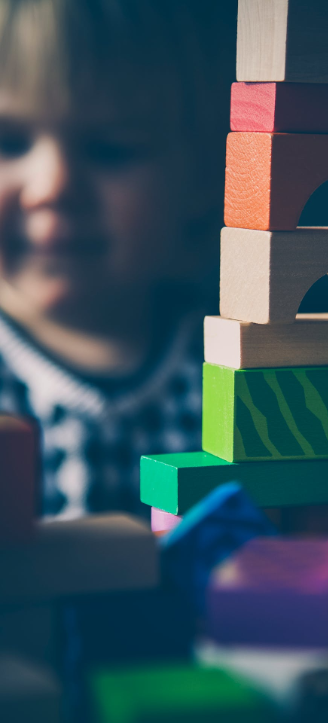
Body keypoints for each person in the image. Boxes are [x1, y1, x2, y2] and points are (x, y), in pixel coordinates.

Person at [0, 0, 226, 519]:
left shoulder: (234, 371)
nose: (53, 186)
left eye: (111, 149)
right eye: (9, 143)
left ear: (201, 178)